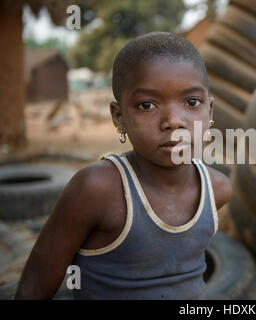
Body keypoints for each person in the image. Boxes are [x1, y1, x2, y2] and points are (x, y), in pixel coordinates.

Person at [15, 32, 232, 299]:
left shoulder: (217, 189)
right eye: (147, 105)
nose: (174, 121)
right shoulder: (97, 190)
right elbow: (34, 286)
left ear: (209, 111)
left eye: (191, 102)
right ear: (119, 117)